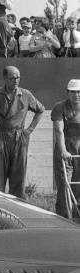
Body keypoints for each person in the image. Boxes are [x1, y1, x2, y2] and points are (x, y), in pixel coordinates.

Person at [0, 66, 45, 199]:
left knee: (18, 176)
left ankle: (17, 206)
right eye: (12, 78)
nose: (16, 80)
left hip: (19, 138)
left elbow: (40, 110)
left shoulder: (26, 95)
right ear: (5, 79)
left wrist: (29, 130)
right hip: (0, 137)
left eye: (18, 77)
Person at [52, 79, 80, 218]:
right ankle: (63, 217)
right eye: (73, 92)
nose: (77, 95)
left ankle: (76, 216)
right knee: (64, 184)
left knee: (78, 184)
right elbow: (59, 131)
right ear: (67, 93)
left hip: (79, 150)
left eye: (79, 92)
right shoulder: (60, 107)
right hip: (65, 149)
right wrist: (63, 150)